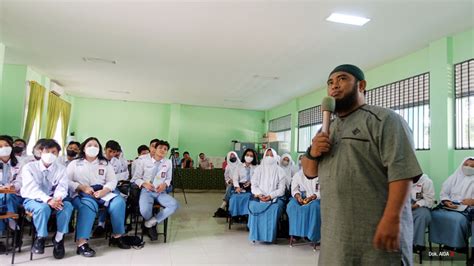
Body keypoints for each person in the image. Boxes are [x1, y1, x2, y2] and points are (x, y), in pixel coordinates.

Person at [302, 64, 422, 265]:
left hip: (376, 233)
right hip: (335, 238)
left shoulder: (385, 120)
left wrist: (392, 219)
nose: (334, 86)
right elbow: (309, 172)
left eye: (342, 79)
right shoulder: (325, 129)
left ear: (361, 85)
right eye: (330, 82)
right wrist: (313, 152)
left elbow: (402, 173)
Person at [67, 137, 130, 257]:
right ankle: (82, 243)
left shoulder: (105, 163)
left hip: (102, 192)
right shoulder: (75, 163)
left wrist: (104, 190)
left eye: (96, 146)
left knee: (119, 203)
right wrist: (81, 187)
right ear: (84, 148)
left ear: (100, 149)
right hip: (81, 193)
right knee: (88, 206)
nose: (93, 147)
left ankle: (117, 236)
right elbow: (67, 181)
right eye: (89, 145)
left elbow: (112, 180)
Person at [21, 139, 73, 259]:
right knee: (43, 208)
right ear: (41, 151)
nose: (50, 154)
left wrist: (57, 198)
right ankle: (41, 237)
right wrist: (48, 200)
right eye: (47, 151)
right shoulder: (29, 167)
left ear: (58, 154)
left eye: (53, 152)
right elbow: (31, 188)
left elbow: (62, 187)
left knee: (67, 206)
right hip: (33, 199)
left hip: (55, 199)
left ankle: (59, 239)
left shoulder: (61, 169)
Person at [135, 140, 179, 241]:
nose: (163, 150)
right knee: (145, 210)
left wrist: (165, 184)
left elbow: (168, 179)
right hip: (147, 191)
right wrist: (144, 183)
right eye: (160, 148)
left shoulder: (168, 162)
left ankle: (151, 222)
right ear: (155, 149)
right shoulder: (144, 161)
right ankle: (151, 224)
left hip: (160, 192)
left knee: (174, 204)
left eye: (165, 149)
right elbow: (135, 179)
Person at [430, 157, 474, 256]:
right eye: (466, 165)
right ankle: (444, 242)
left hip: (468, 208)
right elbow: (444, 192)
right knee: (434, 215)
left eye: (472, 166)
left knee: (458, 220)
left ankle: (457, 245)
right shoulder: (454, 177)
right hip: (451, 206)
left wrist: (472, 201)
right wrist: (447, 201)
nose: (468, 167)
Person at [248, 148, 286, 243]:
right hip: (259, 197)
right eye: (267, 155)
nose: (269, 157)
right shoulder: (258, 169)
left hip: (275, 198)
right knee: (253, 206)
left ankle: (269, 236)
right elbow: (254, 185)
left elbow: (281, 189)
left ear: (275, 156)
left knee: (274, 209)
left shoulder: (280, 171)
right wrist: (259, 195)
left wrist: (270, 196)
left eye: (271, 155)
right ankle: (255, 235)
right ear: (264, 156)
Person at [0, 136, 23, 252]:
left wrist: (13, 186)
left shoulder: (20, 163)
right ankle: (14, 227)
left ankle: (13, 229)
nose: (3, 148)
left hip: (16, 195)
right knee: (2, 199)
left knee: (8, 197)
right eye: (0, 147)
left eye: (6, 146)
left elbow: (21, 180)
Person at [287, 170, 321, 244]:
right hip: (302, 197)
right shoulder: (298, 174)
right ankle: (296, 233)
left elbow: (323, 191)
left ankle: (312, 236)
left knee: (314, 207)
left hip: (317, 199)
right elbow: (294, 189)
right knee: (291, 206)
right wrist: (298, 196)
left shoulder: (321, 173)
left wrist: (312, 197)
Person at [228, 148, 258, 218]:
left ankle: (247, 215)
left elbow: (257, 179)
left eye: (251, 156)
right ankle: (237, 214)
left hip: (251, 187)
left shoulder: (256, 167)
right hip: (240, 186)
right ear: (244, 156)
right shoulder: (238, 166)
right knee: (235, 198)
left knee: (249, 197)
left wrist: (251, 182)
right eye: (247, 155)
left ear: (254, 158)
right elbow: (235, 178)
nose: (249, 157)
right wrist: (237, 187)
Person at [411, 173, 435, 252]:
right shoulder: (401, 179)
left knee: (422, 216)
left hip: (420, 207)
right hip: (403, 206)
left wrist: (417, 205)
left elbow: (429, 200)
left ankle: (417, 244)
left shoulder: (427, 182)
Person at [213, 151, 240, 217]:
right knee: (230, 186)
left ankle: (222, 207)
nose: (232, 157)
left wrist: (237, 181)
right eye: (231, 157)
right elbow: (226, 177)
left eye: (233, 156)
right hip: (231, 184)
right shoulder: (228, 167)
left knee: (230, 188)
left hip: (240, 184)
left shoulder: (241, 165)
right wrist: (229, 181)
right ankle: (224, 208)